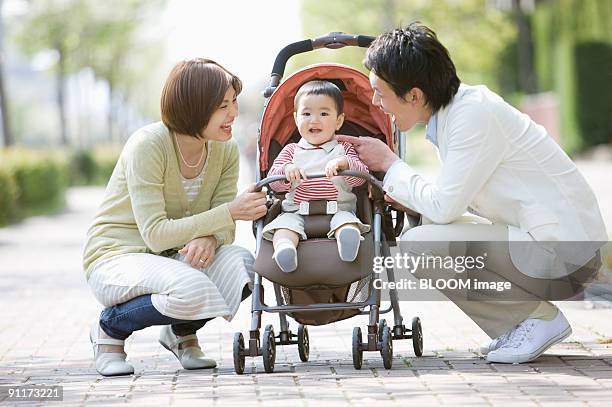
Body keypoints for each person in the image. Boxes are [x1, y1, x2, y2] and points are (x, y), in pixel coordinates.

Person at [338, 23, 608, 364]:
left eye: (380, 93)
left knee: (421, 246)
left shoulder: (472, 115)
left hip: (564, 255)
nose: (377, 103)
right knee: (424, 236)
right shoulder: (458, 112)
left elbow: (445, 206)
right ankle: (521, 321)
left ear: (415, 95)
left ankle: (535, 319)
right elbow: (446, 204)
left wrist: (391, 165)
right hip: (549, 244)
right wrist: (404, 191)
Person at [83, 58, 267, 376]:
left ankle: (180, 334)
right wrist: (229, 213)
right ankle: (108, 331)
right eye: (223, 105)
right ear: (194, 107)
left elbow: (224, 225)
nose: (234, 114)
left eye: (234, 102)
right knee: (191, 288)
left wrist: (210, 236)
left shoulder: (226, 150)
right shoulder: (148, 145)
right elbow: (156, 233)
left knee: (245, 267)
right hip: (116, 258)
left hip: (174, 260)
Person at [262, 80, 370, 273]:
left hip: (339, 210)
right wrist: (286, 170)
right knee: (284, 227)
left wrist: (345, 164)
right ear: (296, 119)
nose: (314, 120)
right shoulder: (291, 151)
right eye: (306, 113)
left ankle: (347, 240)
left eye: (323, 113)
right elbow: (275, 184)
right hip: (295, 212)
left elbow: (361, 178)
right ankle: (285, 249)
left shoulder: (343, 149)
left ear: (338, 121)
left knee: (347, 222)